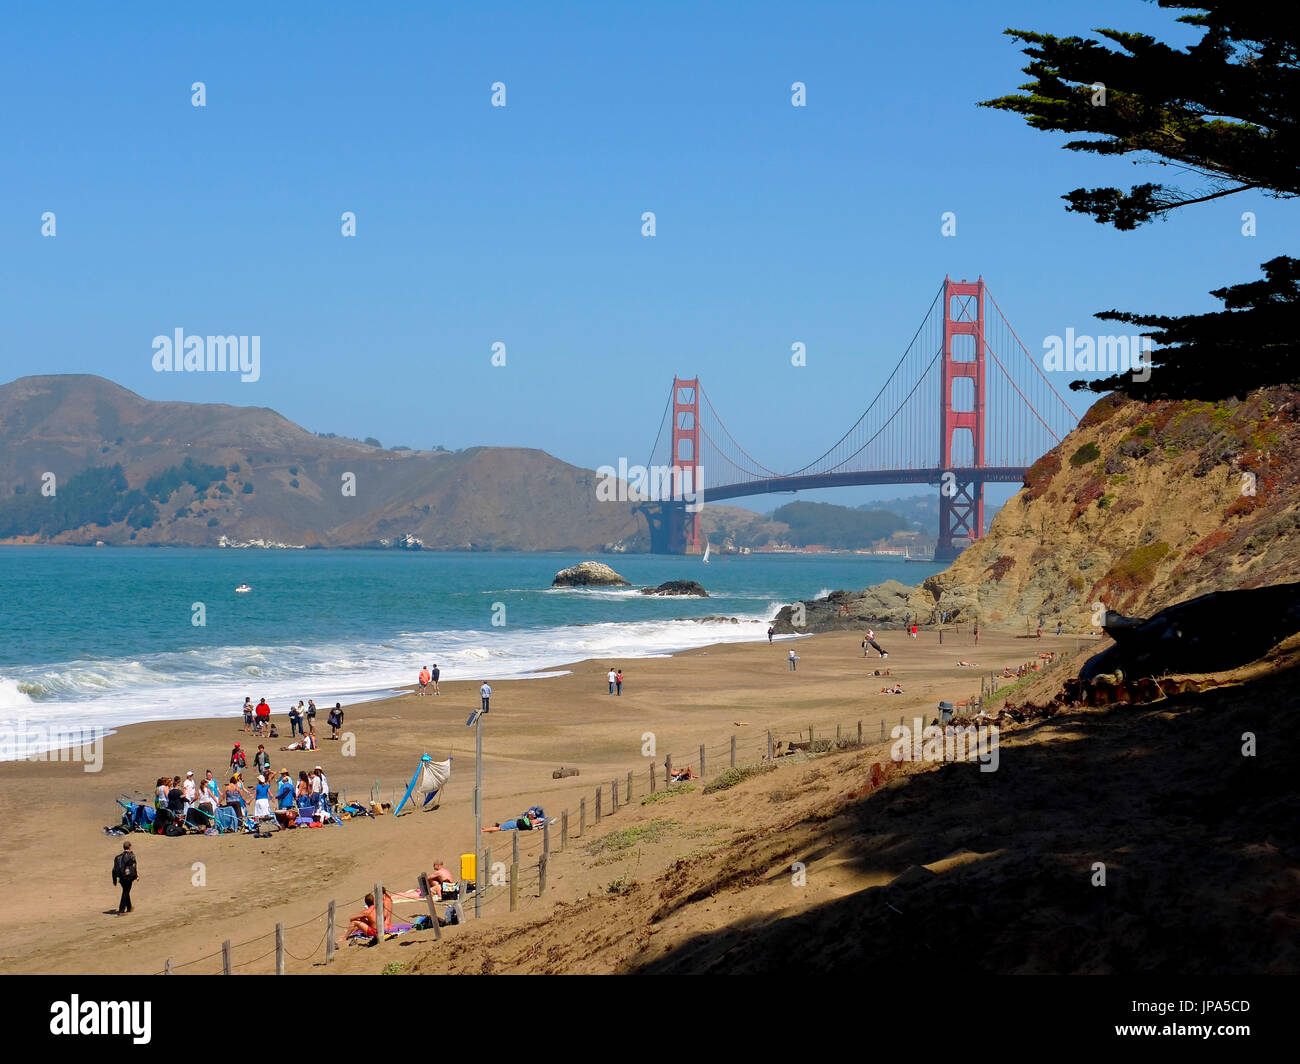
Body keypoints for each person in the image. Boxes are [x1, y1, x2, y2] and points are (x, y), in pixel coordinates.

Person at [112, 841, 138, 915]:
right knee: (126, 892)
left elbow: (115, 869)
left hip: (121, 878)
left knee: (126, 891)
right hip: (128, 877)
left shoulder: (118, 857)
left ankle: (129, 907)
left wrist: (114, 879)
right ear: (129, 847)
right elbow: (134, 866)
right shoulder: (131, 855)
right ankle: (121, 910)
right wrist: (136, 876)